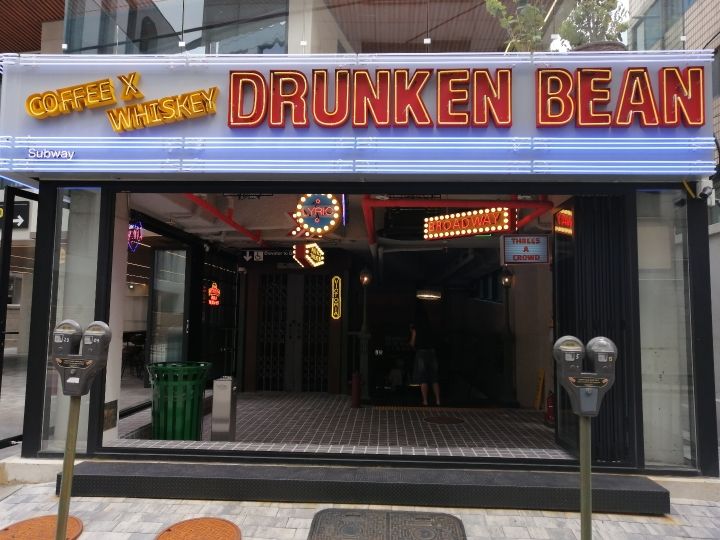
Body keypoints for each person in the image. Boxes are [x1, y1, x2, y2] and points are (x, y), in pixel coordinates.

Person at [409, 304, 440, 406]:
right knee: (434, 378)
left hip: (421, 353)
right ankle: (438, 400)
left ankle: (425, 401)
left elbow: (412, 343)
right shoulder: (430, 326)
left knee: (423, 378)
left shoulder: (415, 327)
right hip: (432, 352)